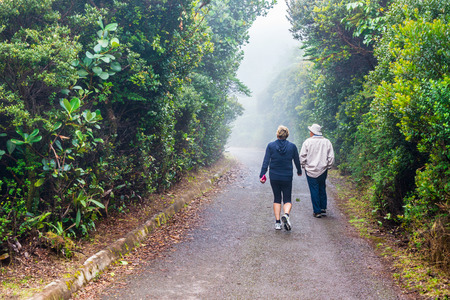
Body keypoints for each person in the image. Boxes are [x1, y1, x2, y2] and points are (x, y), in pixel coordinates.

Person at [260, 125, 302, 230]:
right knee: (287, 198)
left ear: (277, 134)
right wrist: (299, 171)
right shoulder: (292, 147)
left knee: (277, 198)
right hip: (287, 176)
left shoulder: (270, 146)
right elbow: (297, 160)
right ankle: (286, 215)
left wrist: (262, 174)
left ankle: (278, 223)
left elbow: (266, 161)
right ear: (287, 135)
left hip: (274, 176)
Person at [300, 124, 335, 218]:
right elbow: (331, 156)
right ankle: (323, 208)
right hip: (323, 169)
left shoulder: (307, 142)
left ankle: (317, 211)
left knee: (314, 189)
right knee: (322, 187)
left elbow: (302, 155)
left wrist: (303, 165)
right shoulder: (327, 142)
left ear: (313, 132)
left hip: (310, 170)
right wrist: (329, 166)